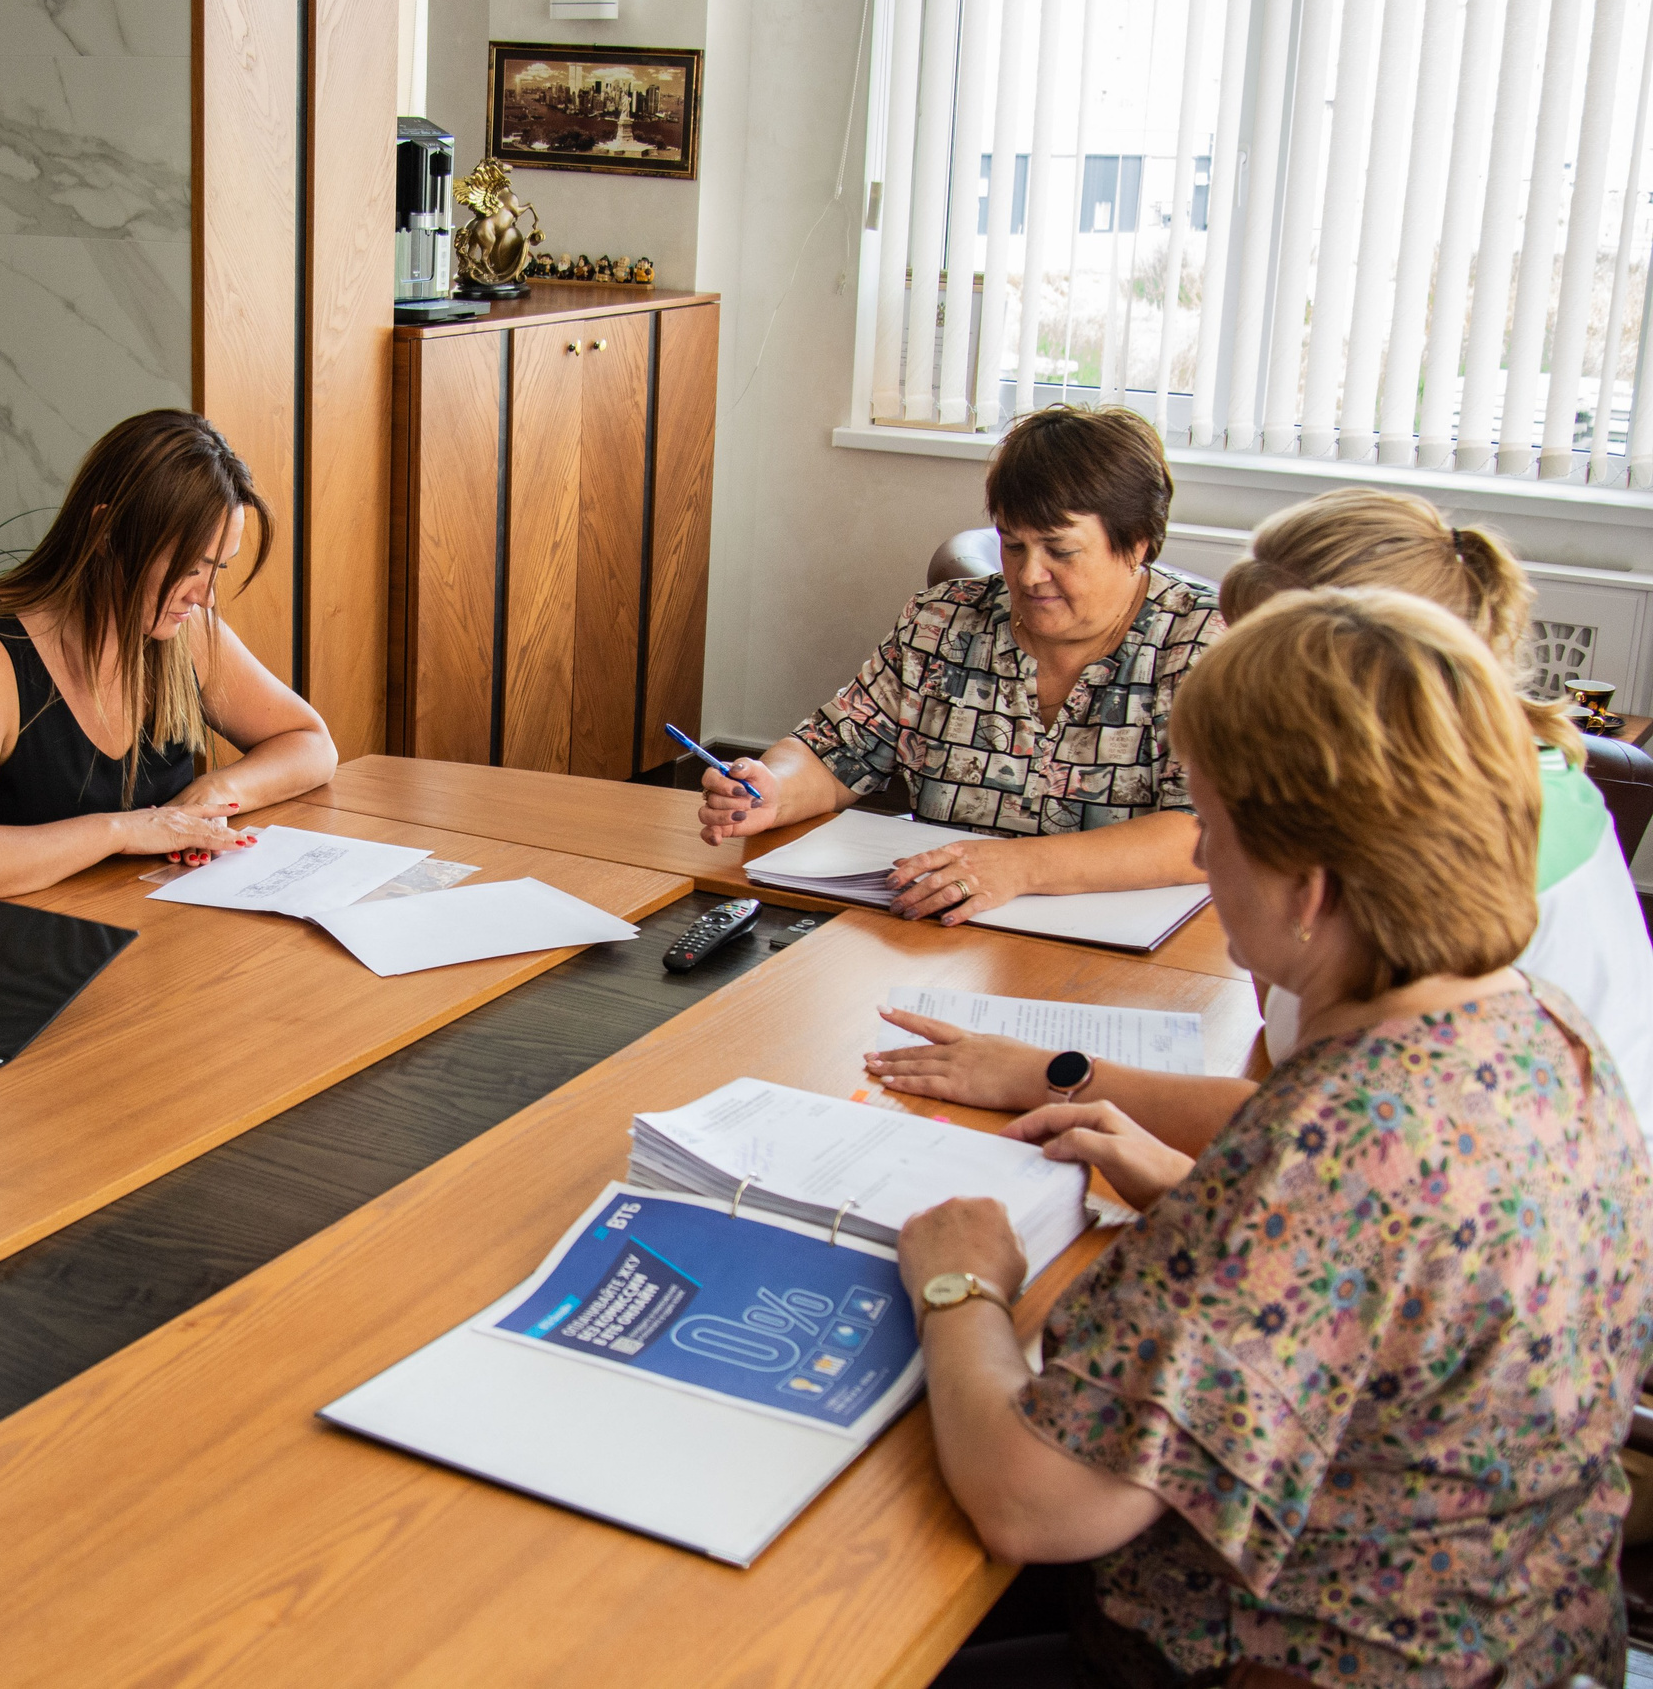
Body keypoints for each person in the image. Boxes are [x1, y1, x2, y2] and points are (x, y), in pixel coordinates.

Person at [904, 589, 1651, 1687]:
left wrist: (959, 1286)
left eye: (1209, 828)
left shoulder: (1342, 1138)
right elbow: (1381, 1285)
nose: (1200, 861)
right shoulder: (1536, 1026)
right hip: (1514, 1630)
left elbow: (1035, 1501)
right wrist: (1192, 1194)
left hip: (1286, 1654)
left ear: (1307, 887)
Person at [867, 485, 1653, 1146]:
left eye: (1259, 658)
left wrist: (1047, 1074)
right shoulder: (1418, 775)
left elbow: (1317, 1133)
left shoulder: (1447, 849)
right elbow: (1292, 1063)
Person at [698, 404, 1220, 924]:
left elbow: (1213, 828)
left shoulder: (1206, 644)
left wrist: (1020, 868)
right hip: (939, 928)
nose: (1030, 574)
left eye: (1060, 551)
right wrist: (773, 789)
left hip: (1122, 943)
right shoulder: (943, 621)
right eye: (1013, 545)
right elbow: (835, 750)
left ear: (1137, 543)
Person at [0, 409, 337, 897]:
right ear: (107, 532)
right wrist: (122, 832)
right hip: (1, 946)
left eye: (219, 569)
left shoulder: (184, 633)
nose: (205, 597)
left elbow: (311, 743)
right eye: (191, 567)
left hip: (140, 929)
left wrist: (216, 794)